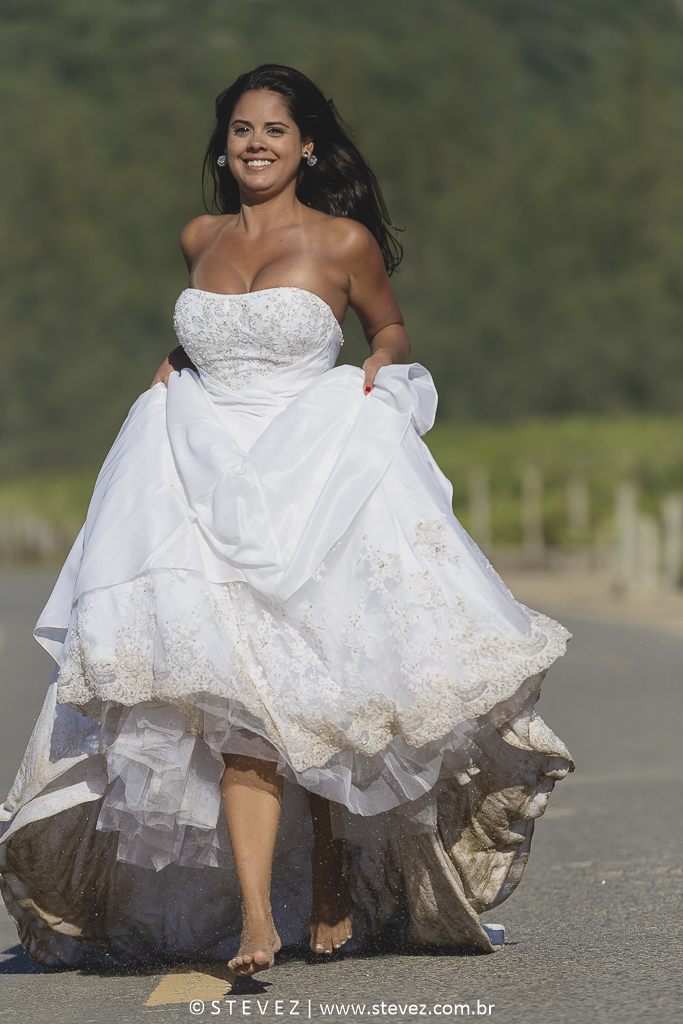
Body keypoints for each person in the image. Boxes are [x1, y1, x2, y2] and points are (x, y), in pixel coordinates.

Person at [0, 65, 573, 976]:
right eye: (239, 130)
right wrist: (166, 371)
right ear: (223, 146)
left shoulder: (343, 239)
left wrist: (379, 371)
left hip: (313, 471)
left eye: (273, 130)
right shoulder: (199, 235)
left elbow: (388, 329)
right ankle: (259, 920)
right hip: (196, 472)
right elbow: (204, 333)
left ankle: (338, 861)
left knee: (319, 689)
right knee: (235, 701)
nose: (255, 144)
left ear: (306, 145)